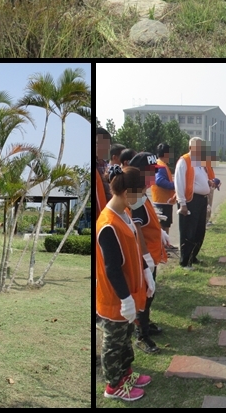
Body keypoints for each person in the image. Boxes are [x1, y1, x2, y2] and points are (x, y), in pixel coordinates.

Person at [96, 165, 154, 402]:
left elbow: (133, 250)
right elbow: (112, 268)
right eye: (139, 193)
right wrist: (125, 298)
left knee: (125, 338)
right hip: (116, 298)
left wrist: (145, 271)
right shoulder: (108, 224)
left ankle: (125, 373)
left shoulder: (126, 214)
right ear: (126, 191)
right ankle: (113, 385)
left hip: (129, 292)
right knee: (113, 341)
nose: (142, 198)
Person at [128, 153, 167, 355]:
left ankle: (146, 323)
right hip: (144, 257)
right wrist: (145, 259)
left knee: (150, 295)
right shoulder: (134, 198)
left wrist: (160, 232)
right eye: (150, 173)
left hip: (151, 254)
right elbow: (137, 229)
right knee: (143, 296)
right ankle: (141, 336)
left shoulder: (142, 194)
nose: (153, 178)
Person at [174, 137, 215, 269]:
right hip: (190, 201)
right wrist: (182, 203)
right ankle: (185, 261)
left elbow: (200, 179)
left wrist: (208, 183)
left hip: (201, 200)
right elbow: (179, 183)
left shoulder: (200, 163)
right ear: (191, 148)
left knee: (199, 231)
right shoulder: (184, 161)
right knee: (188, 232)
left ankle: (193, 256)